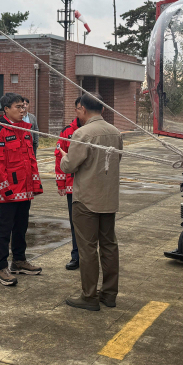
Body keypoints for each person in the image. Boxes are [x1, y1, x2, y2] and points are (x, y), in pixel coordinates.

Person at [59, 92, 123, 311]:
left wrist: (63, 155)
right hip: (108, 198)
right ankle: (109, 293)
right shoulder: (116, 132)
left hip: (86, 199)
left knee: (87, 248)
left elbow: (69, 166)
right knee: (109, 246)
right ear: (103, 109)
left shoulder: (81, 133)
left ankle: (89, 296)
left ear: (83, 110)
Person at [0, 92, 43, 286]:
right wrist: (6, 190)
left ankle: (18, 261)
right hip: (9, 193)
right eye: (18, 107)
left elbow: (31, 160)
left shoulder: (25, 131)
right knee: (5, 229)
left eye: (24, 106)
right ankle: (0, 267)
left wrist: (35, 184)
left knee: (21, 227)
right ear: (6, 109)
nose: (23, 110)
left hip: (25, 190)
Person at [54, 96, 84, 271]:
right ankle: (76, 256)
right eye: (79, 108)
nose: (81, 112)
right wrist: (61, 184)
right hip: (73, 187)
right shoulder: (67, 132)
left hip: (91, 186)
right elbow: (59, 157)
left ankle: (91, 257)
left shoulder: (94, 131)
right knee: (76, 223)